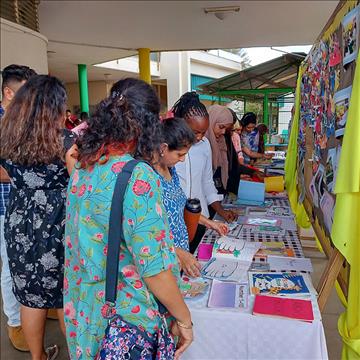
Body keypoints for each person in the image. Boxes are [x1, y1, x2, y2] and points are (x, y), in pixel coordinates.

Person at [64, 78, 193, 360]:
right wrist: (183, 318)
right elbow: (153, 268)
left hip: (85, 311)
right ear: (149, 125)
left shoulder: (84, 167)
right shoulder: (137, 176)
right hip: (125, 317)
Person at [0, 75, 77, 360]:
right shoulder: (67, 140)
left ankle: (38, 357)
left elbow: (7, 173)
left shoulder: (8, 137)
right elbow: (80, 183)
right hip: (59, 221)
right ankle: (78, 354)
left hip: (20, 220)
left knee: (30, 295)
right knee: (65, 293)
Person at [153, 117, 228, 277]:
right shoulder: (148, 178)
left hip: (180, 258)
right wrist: (179, 252)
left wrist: (210, 223)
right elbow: (150, 234)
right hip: (163, 261)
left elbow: (181, 206)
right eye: (180, 154)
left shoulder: (171, 171)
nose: (182, 159)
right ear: (163, 148)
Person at [0, 64, 36, 352]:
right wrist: (30, 172)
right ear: (8, 92)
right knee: (11, 266)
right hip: (4, 207)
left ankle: (38, 307)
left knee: (31, 262)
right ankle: (15, 323)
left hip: (26, 207)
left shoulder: (23, 121)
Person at [173, 92, 237, 252]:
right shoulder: (168, 148)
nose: (200, 137)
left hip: (200, 218)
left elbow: (207, 182)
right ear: (181, 123)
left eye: (203, 132)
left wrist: (221, 211)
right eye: (195, 132)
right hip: (175, 220)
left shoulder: (205, 144)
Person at [206, 105, 234, 193]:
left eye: (226, 129)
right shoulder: (200, 144)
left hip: (218, 193)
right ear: (211, 121)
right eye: (221, 127)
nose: (223, 132)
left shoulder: (221, 142)